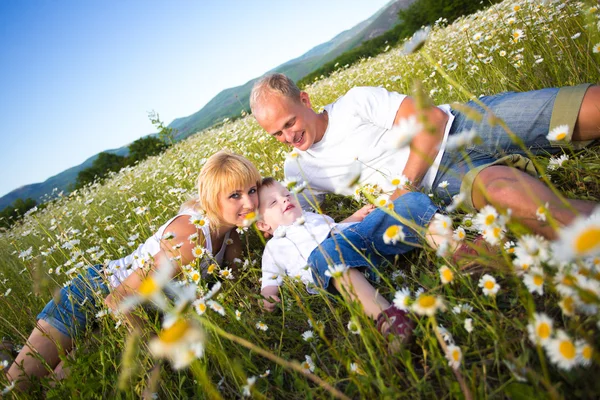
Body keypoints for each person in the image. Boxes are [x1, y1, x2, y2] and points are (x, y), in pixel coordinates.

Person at [5, 150, 261, 390]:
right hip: (94, 294)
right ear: (212, 199)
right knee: (16, 388)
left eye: (252, 190)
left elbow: (234, 293)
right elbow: (117, 297)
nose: (249, 202)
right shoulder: (189, 239)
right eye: (234, 195)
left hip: (124, 318)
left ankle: (13, 351)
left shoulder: (231, 237)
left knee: (55, 388)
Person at [249, 73, 600, 240]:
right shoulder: (297, 167)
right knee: (515, 200)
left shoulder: (355, 102)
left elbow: (432, 120)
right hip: (445, 179)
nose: (288, 137)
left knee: (587, 109)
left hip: (464, 123)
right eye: (276, 134)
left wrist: (403, 187)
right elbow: (294, 225)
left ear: (306, 101)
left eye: (289, 122)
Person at [257, 177, 447, 343]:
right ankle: (390, 319)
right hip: (336, 265)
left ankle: (456, 252)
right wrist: (269, 295)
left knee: (408, 202)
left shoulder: (310, 216)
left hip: (361, 238)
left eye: (287, 194)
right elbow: (269, 279)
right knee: (324, 254)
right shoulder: (274, 248)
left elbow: (335, 228)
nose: (284, 198)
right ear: (263, 224)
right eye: (273, 202)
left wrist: (355, 217)